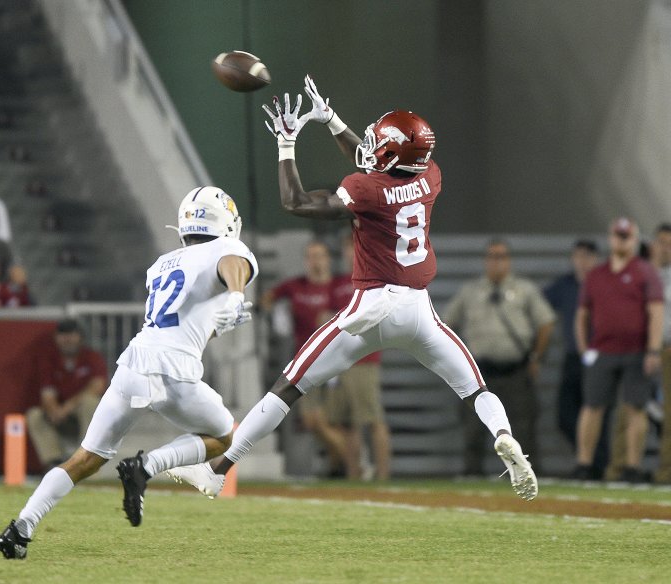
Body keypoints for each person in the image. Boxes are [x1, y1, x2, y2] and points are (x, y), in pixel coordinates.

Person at [167, 76, 538, 502]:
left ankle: (220, 470)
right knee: (476, 388)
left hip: (371, 308)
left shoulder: (367, 189)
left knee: (289, 387)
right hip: (419, 312)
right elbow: (374, 161)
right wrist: (331, 120)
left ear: (392, 151)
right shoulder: (430, 174)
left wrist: (287, 144)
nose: (372, 144)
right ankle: (504, 435)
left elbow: (298, 201)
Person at [0, 186, 258, 559]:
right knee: (222, 435)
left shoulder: (161, 264)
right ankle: (146, 465)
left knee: (85, 457)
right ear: (225, 222)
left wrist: (218, 325)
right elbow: (231, 262)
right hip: (175, 370)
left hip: (135, 362)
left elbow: (183, 319)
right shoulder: (227, 250)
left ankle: (20, 527)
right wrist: (234, 296)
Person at [442, 240, 555, 475]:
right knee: (473, 428)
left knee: (523, 427)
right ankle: (472, 475)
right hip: (479, 373)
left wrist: (536, 357)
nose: (496, 262)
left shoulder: (524, 290)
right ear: (485, 261)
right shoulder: (470, 291)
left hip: (515, 370)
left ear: (509, 260)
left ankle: (527, 473)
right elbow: (445, 324)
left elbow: (546, 322)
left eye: (501, 257)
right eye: (492, 257)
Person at [573, 218, 664, 482]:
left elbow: (656, 312)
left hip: (635, 351)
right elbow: (582, 315)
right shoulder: (597, 274)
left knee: (636, 408)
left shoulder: (645, 271)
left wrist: (653, 350)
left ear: (634, 239)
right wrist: (583, 349)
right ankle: (584, 463)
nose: (621, 241)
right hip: (602, 350)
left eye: (626, 236)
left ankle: (632, 466)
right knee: (592, 406)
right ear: (611, 238)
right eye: (617, 236)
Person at [260, 240, 349, 477]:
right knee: (311, 421)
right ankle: (348, 462)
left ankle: (342, 466)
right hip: (307, 360)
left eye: (319, 256)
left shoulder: (339, 287)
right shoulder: (297, 286)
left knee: (332, 420)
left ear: (328, 258)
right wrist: (274, 312)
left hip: (335, 360)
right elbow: (268, 297)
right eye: (311, 256)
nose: (315, 261)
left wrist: (333, 317)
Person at [544, 240, 610, 478]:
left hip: (602, 357)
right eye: (578, 256)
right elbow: (540, 307)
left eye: (587, 256)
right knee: (566, 416)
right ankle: (590, 459)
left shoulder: (605, 283)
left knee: (598, 412)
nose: (582, 262)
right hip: (574, 357)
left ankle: (596, 466)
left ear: (595, 259)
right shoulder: (565, 285)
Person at [328, 233, 390, 480]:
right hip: (339, 361)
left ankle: (383, 477)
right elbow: (325, 316)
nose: (350, 253)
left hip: (364, 360)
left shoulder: (375, 281)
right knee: (346, 423)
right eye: (347, 248)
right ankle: (355, 476)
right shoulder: (339, 282)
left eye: (355, 248)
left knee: (373, 420)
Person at [24, 319, 108, 471]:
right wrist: (54, 410)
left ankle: (88, 458)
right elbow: (47, 393)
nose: (67, 339)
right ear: (56, 338)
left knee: (90, 402)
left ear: (80, 337)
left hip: (85, 416)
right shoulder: (49, 359)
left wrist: (66, 408)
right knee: (34, 415)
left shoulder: (92, 357)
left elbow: (97, 387)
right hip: (62, 418)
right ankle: (54, 463)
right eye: (62, 335)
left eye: (71, 335)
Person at [649, 223, 671, 483]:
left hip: (668, 349)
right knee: (632, 411)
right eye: (661, 242)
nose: (665, 248)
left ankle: (666, 470)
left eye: (669, 243)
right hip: (642, 353)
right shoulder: (644, 273)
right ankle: (621, 469)